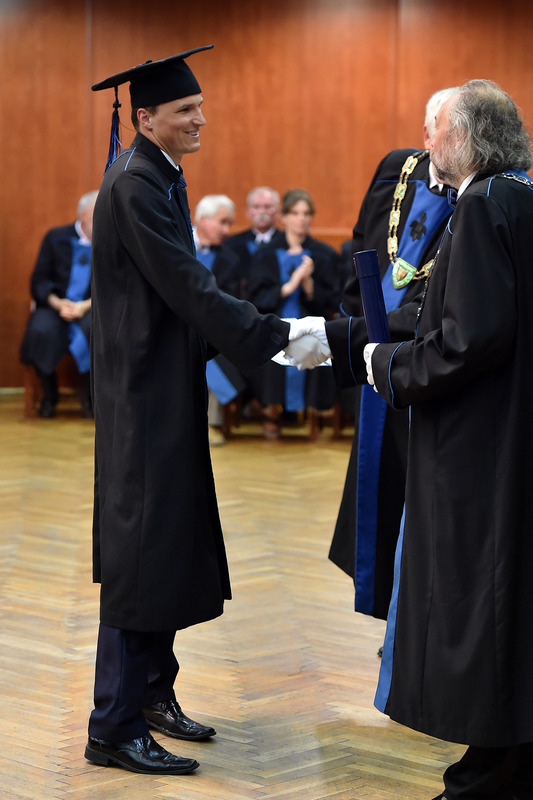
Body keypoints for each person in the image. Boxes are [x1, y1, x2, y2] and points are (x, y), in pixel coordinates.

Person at [86, 46, 325, 777]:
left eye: (200, 106)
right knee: (138, 553)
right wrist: (274, 336)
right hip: (142, 394)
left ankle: (152, 693)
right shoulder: (134, 184)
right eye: (185, 109)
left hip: (166, 381)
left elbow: (184, 289)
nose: (200, 119)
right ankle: (113, 724)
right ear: (145, 117)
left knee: (164, 544)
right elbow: (187, 285)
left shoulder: (157, 172)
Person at [298, 79, 533, 799]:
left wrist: (387, 366)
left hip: (477, 441)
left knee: (479, 600)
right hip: (508, 431)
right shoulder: (519, 195)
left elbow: (465, 339)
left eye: (438, 131)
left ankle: (492, 769)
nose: (427, 143)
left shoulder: (483, 204)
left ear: (463, 138)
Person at [328, 88, 457, 621]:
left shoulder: (485, 195)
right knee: (381, 489)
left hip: (435, 359)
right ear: (426, 134)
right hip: (379, 356)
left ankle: (423, 621)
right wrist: (354, 327)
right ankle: (393, 620)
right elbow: (363, 241)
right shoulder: (396, 171)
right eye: (441, 130)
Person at [247, 188, 339, 438]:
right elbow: (254, 296)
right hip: (275, 320)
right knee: (270, 344)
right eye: (295, 213)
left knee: (315, 343)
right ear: (284, 217)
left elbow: (333, 299)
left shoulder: (323, 254)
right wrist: (289, 286)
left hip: (310, 320)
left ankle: (313, 413)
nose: (301, 219)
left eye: (306, 213)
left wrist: (309, 285)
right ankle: (271, 412)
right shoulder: (265, 254)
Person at [20, 191, 98, 418]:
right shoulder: (56, 237)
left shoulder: (112, 242)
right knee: (40, 331)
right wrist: (58, 303)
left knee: (100, 333)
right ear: (84, 216)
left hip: (91, 307)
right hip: (55, 306)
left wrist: (84, 306)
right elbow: (39, 279)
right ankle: (49, 394)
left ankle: (90, 398)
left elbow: (115, 284)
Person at [193, 193, 245, 445]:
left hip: (210, 326)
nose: (227, 230)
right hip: (172, 322)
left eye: (230, 224)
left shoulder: (230, 259)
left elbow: (230, 299)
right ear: (203, 219)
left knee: (211, 354)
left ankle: (210, 422)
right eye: (222, 222)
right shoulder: (175, 245)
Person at [225, 185, 283, 295]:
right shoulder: (232, 244)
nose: (262, 212)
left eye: (267, 207)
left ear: (278, 211)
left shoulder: (286, 242)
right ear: (248, 211)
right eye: (256, 207)